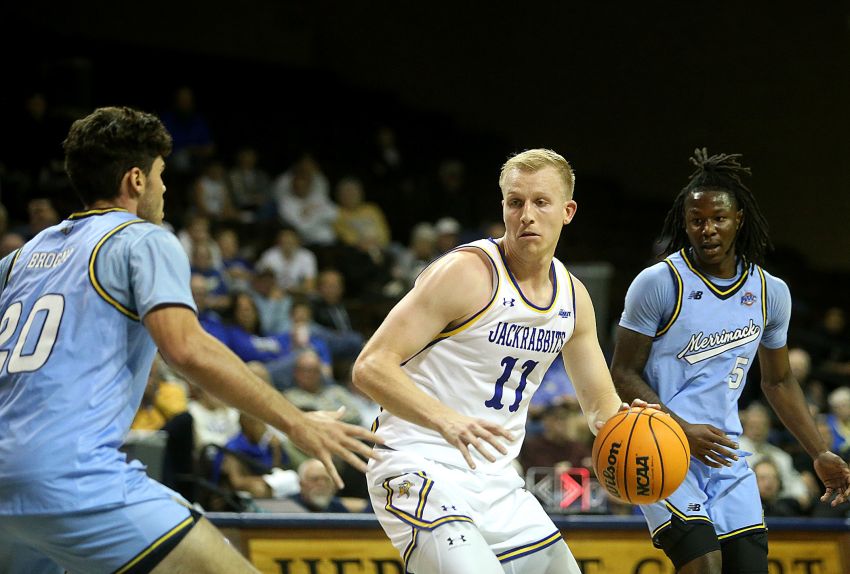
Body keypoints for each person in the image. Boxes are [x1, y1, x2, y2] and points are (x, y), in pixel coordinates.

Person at [0, 106, 379, 574]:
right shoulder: (141, 239)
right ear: (136, 180)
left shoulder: (21, 259)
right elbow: (187, 349)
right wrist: (297, 423)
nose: (165, 188)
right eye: (160, 175)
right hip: (73, 479)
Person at [353, 149, 632, 573]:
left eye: (541, 202)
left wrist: (638, 429)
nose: (527, 215)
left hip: (497, 480)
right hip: (417, 462)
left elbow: (601, 409)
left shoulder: (574, 298)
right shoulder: (465, 273)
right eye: (515, 202)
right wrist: (446, 419)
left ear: (568, 211)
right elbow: (370, 366)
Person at [609, 149, 850, 574]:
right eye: (697, 219)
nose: (707, 229)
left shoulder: (769, 291)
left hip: (726, 454)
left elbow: (778, 381)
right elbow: (622, 373)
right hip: (662, 447)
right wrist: (681, 430)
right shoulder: (659, 283)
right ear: (685, 223)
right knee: (703, 564)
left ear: (738, 219)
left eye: (718, 218)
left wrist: (819, 451)